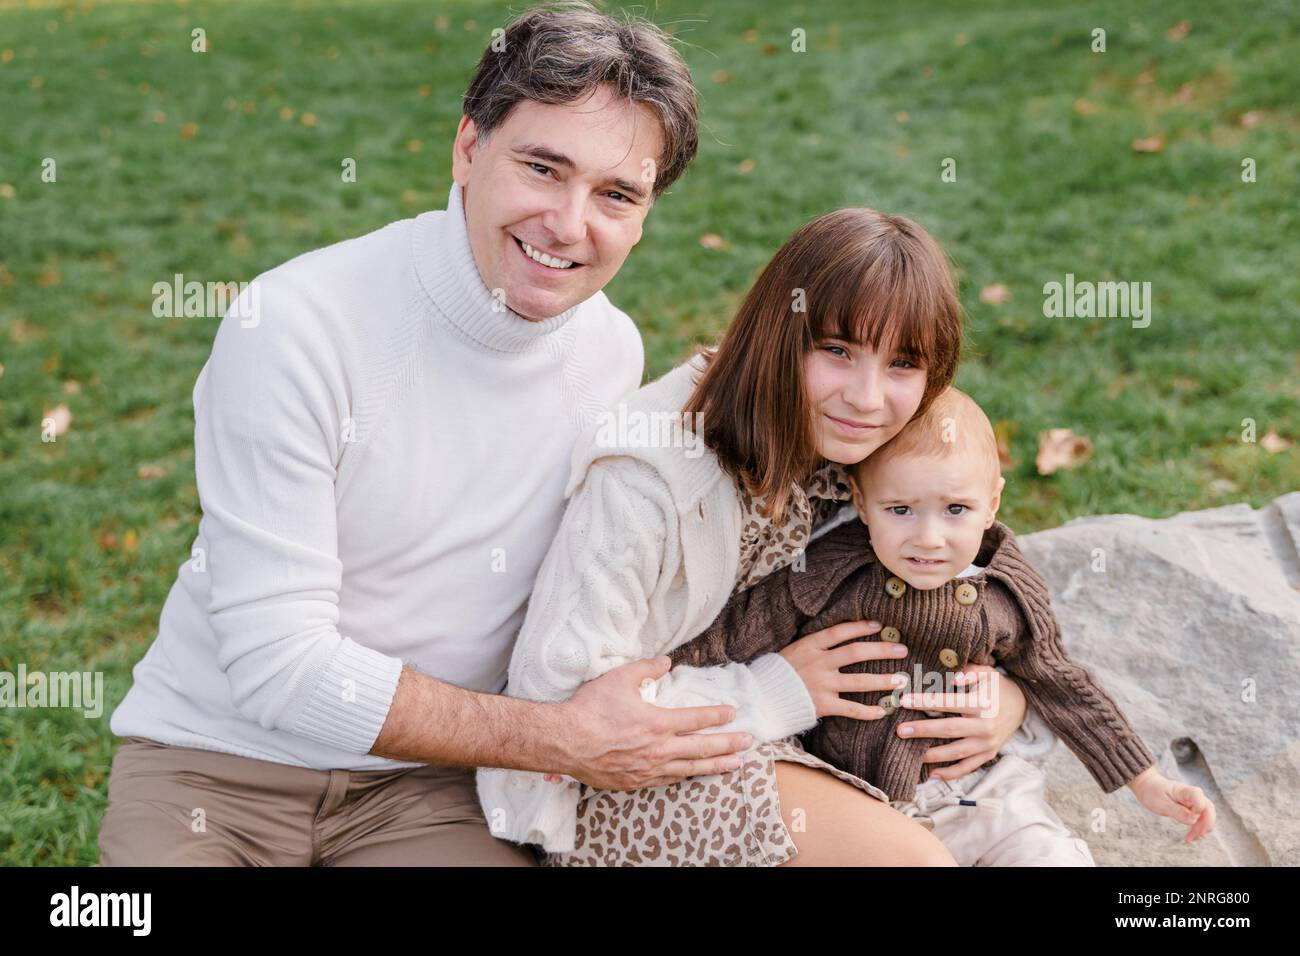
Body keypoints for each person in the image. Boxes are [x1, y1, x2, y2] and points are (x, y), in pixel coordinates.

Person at [99, 1, 760, 867]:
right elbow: (279, 666)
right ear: (467, 148)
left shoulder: (611, 350)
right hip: (217, 761)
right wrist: (562, 739)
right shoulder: (295, 326)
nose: (569, 223)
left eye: (616, 194)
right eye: (542, 167)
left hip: (430, 783)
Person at [479, 206, 1044, 866]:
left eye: (902, 364)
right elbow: (567, 700)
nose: (867, 397)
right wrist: (777, 691)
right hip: (616, 781)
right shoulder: (650, 476)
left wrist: (1011, 697)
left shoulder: (867, 439)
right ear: (782, 334)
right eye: (837, 351)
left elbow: (983, 569)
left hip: (815, 746)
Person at [671, 385, 1218, 864]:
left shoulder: (1004, 587)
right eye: (900, 510)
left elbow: (1060, 681)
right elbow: (733, 632)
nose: (928, 537)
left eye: (955, 510)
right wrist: (657, 674)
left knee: (1047, 856)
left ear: (993, 503)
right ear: (861, 503)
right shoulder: (828, 571)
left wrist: (1146, 782)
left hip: (988, 794)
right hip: (864, 804)